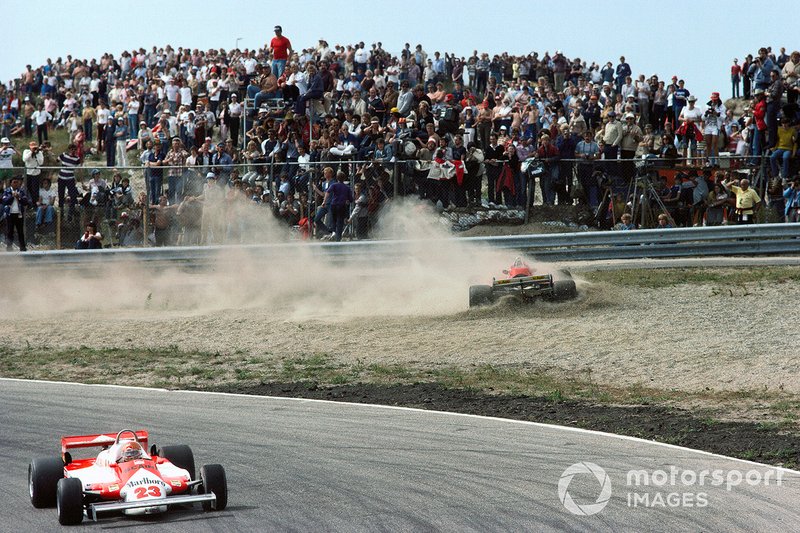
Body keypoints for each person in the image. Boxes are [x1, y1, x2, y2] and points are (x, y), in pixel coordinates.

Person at [2, 177, 31, 251]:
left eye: (17, 182)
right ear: (11, 183)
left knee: (20, 231)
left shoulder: (21, 191)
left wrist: (19, 198)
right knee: (10, 231)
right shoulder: (7, 191)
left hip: (19, 214)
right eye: (14, 182)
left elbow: (25, 202)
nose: (16, 184)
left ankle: (23, 247)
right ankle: (9, 247)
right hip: (10, 214)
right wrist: (12, 196)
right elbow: (5, 201)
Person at [324, 170, 353, 241]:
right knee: (340, 221)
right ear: (344, 179)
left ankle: (333, 232)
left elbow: (327, 192)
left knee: (333, 220)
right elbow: (351, 199)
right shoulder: (347, 187)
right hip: (341, 206)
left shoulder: (334, 185)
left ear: (337, 178)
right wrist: (348, 200)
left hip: (334, 205)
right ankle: (338, 238)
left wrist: (324, 201)